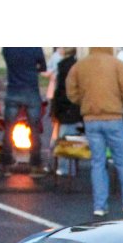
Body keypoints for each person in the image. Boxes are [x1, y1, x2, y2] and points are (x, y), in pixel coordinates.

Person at [66, 47, 123, 217]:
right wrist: (120, 102)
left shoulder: (80, 66)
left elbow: (71, 91)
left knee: (98, 162)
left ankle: (100, 205)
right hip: (113, 117)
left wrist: (84, 102)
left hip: (90, 118)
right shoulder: (117, 64)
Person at [0, 47, 47, 170]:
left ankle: (6, 158)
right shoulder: (35, 48)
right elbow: (43, 67)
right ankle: (35, 160)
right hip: (31, 90)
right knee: (34, 128)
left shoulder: (8, 48)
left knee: (8, 127)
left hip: (13, 90)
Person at [48, 48, 81, 178]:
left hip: (67, 109)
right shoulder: (77, 65)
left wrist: (57, 110)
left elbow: (61, 91)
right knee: (71, 138)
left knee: (64, 139)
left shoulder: (64, 67)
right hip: (74, 108)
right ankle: (68, 168)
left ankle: (65, 168)